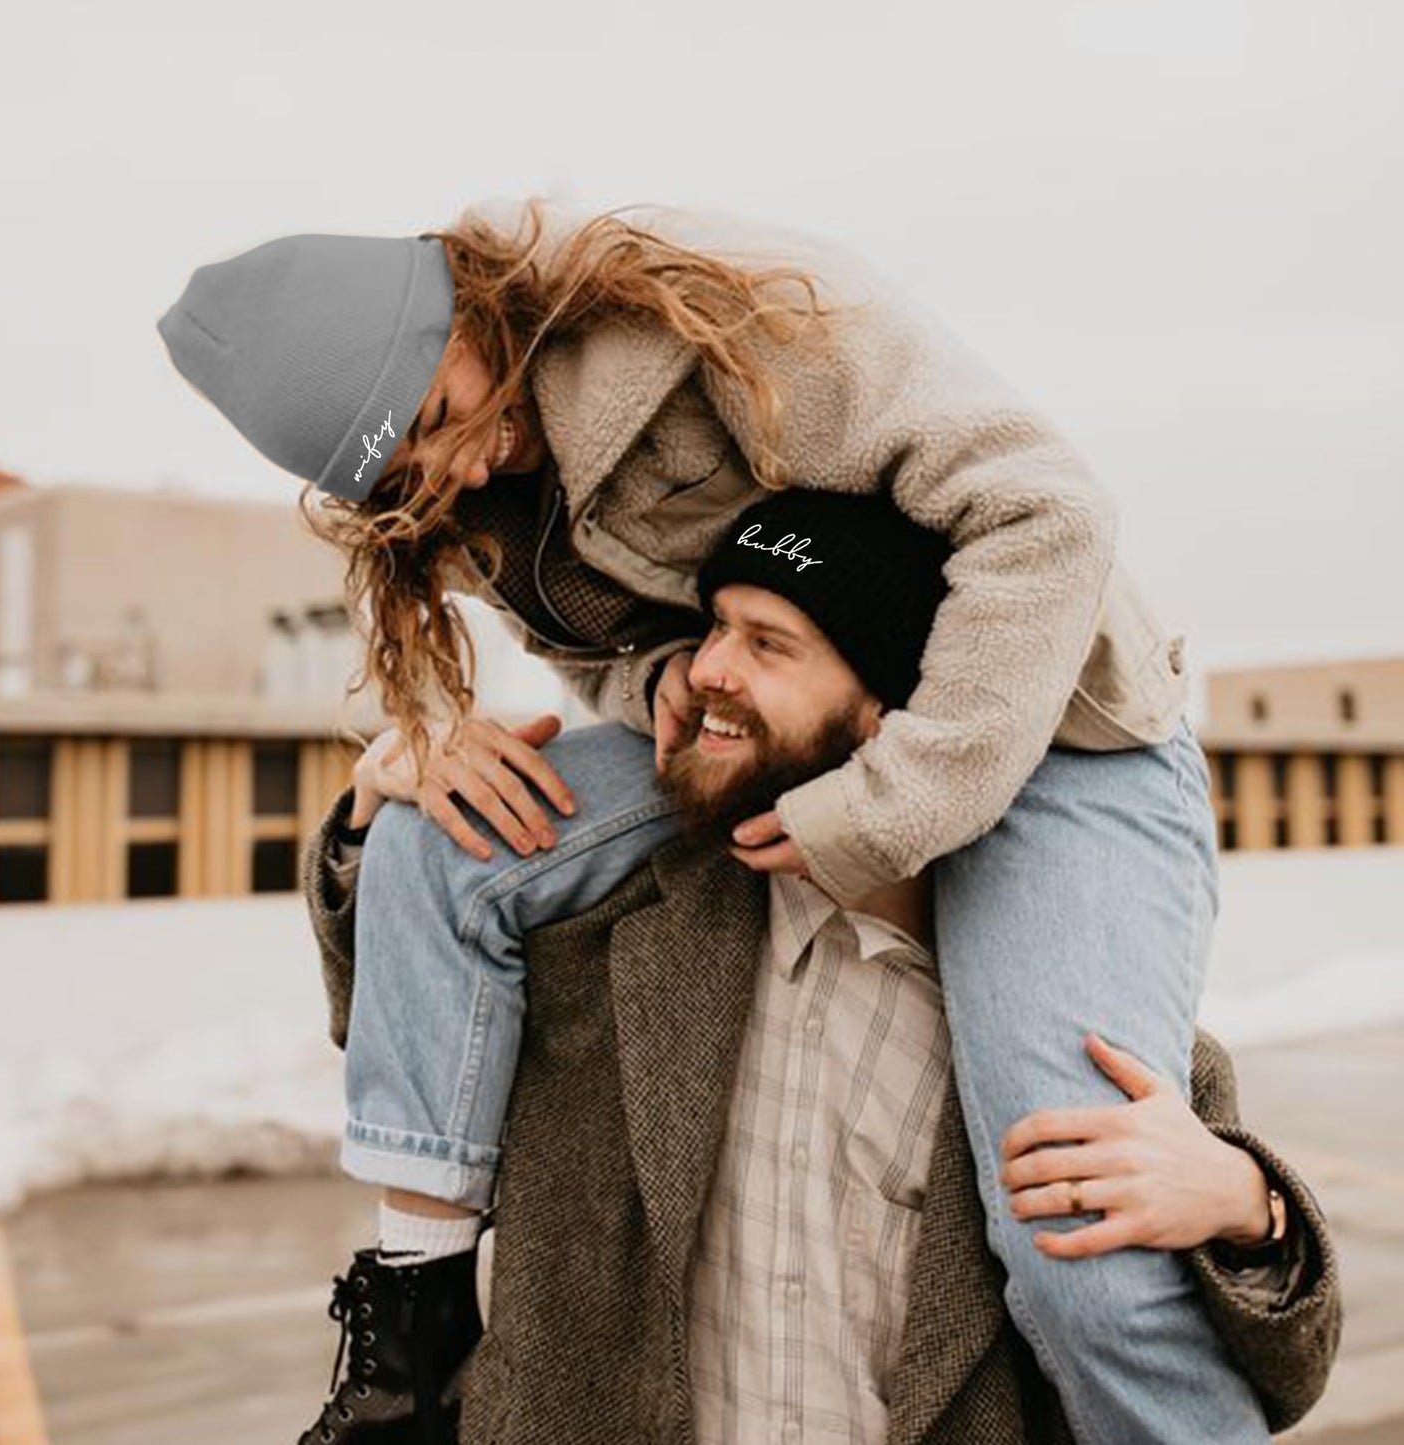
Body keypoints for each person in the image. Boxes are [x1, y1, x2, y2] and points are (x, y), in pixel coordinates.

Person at [159, 200, 1263, 1442]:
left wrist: (892, 805)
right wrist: (559, 718)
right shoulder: (484, 498)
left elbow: (1045, 510)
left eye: (435, 415)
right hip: (795, 727)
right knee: (436, 838)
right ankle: (410, 1341)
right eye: (410, 474)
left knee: (1078, 1238)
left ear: (460, 307)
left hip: (1057, 729)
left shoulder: (717, 308)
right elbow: (608, 661)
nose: (457, 468)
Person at [299, 489, 1339, 1444]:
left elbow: (1269, 1378)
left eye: (768, 642)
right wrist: (382, 820)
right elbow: (398, 1011)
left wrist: (1253, 1208)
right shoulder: (609, 947)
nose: (703, 668)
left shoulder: (1068, 1027)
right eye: (713, 626)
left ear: (889, 717)